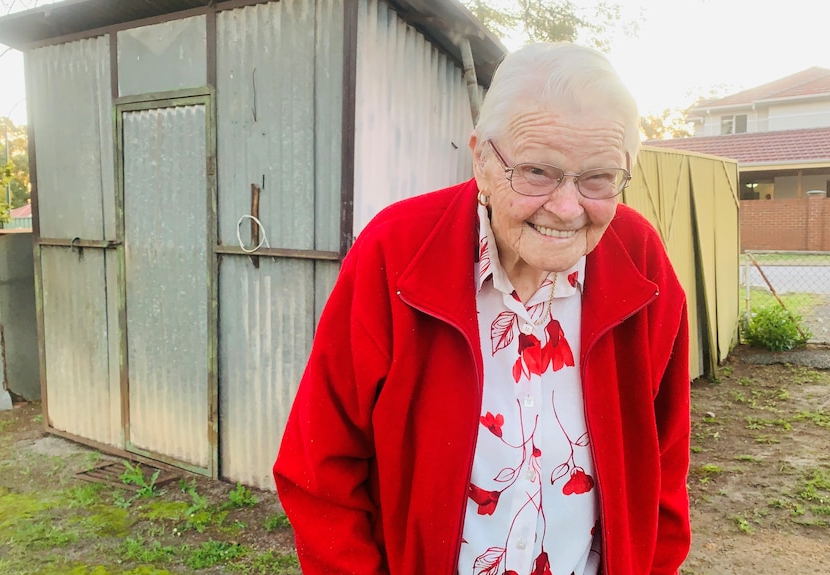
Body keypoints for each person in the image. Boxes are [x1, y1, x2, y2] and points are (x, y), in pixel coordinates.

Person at [273, 42, 691, 575]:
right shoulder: (396, 254)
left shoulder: (642, 263)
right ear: (481, 159)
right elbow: (320, 468)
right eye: (537, 171)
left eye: (599, 178)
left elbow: (664, 465)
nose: (567, 209)